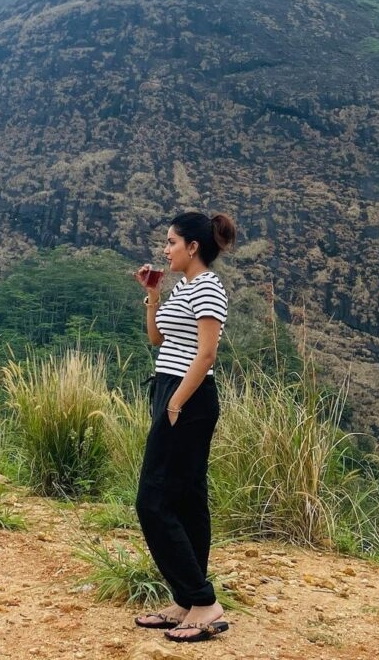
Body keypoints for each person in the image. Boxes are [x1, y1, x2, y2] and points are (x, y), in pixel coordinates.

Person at [132, 211, 236, 643]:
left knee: (152, 499)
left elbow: (207, 355)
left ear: (193, 247)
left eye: (171, 241)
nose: (166, 248)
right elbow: (159, 341)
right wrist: (153, 295)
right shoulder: (184, 289)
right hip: (170, 389)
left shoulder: (209, 288)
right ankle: (186, 601)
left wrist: (175, 402)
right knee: (187, 498)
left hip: (188, 398)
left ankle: (204, 601)